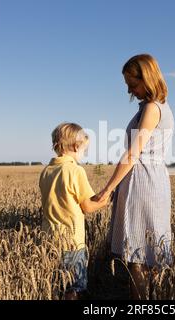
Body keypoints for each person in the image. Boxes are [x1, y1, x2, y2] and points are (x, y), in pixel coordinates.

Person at [94, 54, 175, 299]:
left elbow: (131, 154)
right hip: (154, 178)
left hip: (143, 181)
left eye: (133, 83)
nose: (129, 90)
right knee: (149, 252)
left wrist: (107, 189)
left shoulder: (151, 109)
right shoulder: (162, 107)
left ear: (147, 79)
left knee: (137, 255)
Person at [39, 122, 109, 300]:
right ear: (77, 146)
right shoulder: (75, 171)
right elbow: (87, 206)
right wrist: (107, 200)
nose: (84, 154)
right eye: (84, 150)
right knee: (72, 288)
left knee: (55, 285)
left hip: (49, 241)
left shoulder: (46, 171)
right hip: (72, 242)